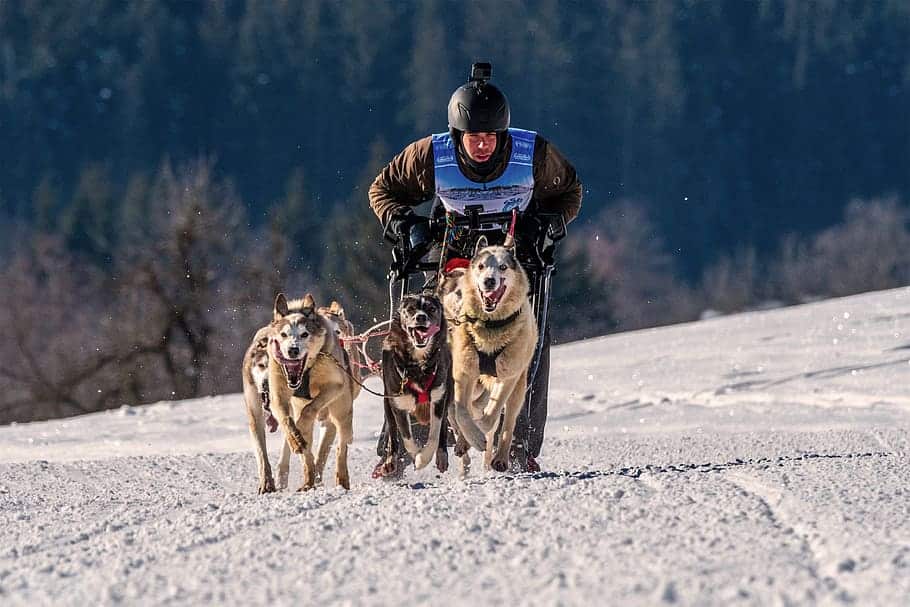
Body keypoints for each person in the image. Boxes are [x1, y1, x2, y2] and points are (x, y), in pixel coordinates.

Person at [368, 62, 582, 473]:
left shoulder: (532, 152)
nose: (481, 146)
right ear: (456, 136)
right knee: (418, 344)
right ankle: (395, 448)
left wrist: (550, 223)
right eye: (473, 139)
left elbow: (569, 191)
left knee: (528, 346)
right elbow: (384, 190)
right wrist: (403, 223)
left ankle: (518, 446)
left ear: (502, 136)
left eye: (489, 138)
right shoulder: (431, 154)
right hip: (452, 259)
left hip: (514, 264)